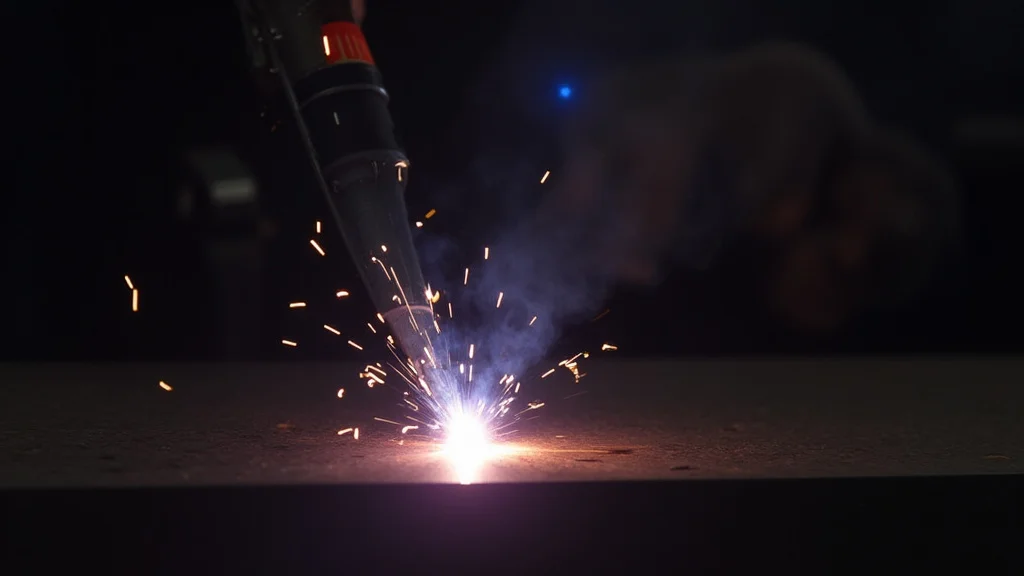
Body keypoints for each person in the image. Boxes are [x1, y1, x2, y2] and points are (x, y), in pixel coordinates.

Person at [536, 42, 962, 349]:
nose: (817, 304)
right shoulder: (798, 106)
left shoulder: (771, 214)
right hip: (560, 155)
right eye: (833, 276)